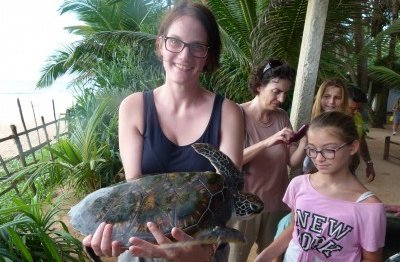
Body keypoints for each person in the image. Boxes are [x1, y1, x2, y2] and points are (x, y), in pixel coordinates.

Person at [82, 1, 244, 261]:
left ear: (209, 55)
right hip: (142, 249)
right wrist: (104, 237)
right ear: (160, 44)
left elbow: (227, 197)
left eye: (197, 47)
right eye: (175, 41)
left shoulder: (228, 113)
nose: (184, 55)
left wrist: (203, 252)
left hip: (202, 250)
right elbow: (134, 192)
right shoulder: (134, 107)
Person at [255, 111, 387, 262]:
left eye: (328, 150)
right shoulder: (299, 184)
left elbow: (371, 259)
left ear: (353, 147)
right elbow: (294, 228)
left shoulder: (369, 207)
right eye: (312, 149)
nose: (318, 158)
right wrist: (264, 256)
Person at [228, 59, 307, 262]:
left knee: (273, 257)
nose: (281, 98)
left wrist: (306, 139)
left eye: (285, 93)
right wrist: (267, 142)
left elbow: (293, 162)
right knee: (235, 258)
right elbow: (230, 161)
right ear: (259, 86)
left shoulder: (281, 116)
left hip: (276, 202)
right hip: (245, 206)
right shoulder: (237, 114)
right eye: (276, 91)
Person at [304, 79, 375, 182]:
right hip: (314, 177)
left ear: (344, 100)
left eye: (337, 98)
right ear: (320, 98)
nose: (331, 102)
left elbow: (360, 140)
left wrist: (369, 162)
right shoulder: (312, 122)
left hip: (343, 176)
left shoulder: (350, 121)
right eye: (327, 96)